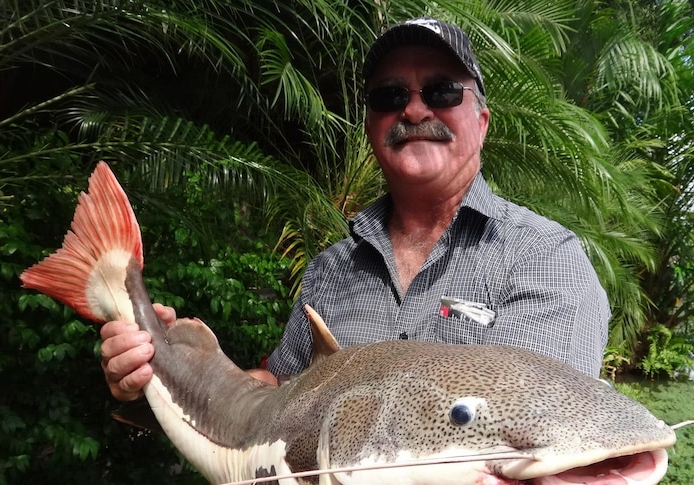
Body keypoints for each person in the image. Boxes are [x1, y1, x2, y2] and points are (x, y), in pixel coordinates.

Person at [99, 17, 611, 402]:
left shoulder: (545, 258)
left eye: (441, 90)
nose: (413, 110)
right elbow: (278, 387)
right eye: (390, 96)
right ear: (371, 130)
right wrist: (165, 370)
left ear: (481, 121)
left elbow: (536, 434)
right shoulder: (331, 269)